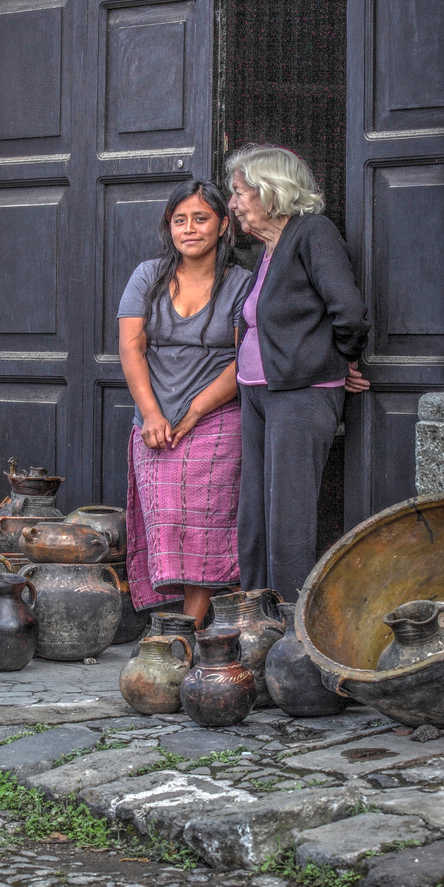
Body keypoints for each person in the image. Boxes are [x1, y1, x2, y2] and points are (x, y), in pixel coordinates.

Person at [227, 144, 371, 599]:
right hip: (256, 391)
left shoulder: (313, 233)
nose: (232, 203)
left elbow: (348, 310)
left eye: (239, 193)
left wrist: (340, 357)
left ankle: (290, 622)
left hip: (300, 392)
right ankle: (253, 611)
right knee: (255, 509)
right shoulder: (266, 252)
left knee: (288, 512)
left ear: (271, 192)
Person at [117, 179, 255, 624]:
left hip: (216, 416)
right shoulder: (148, 276)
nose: (190, 229)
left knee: (206, 524)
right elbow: (131, 348)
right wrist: (153, 414)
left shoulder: (241, 283)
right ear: (169, 228)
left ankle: (190, 628)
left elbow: (244, 360)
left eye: (201, 219)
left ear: (223, 226)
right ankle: (174, 621)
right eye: (180, 220)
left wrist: (194, 411)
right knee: (168, 519)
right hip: (155, 421)